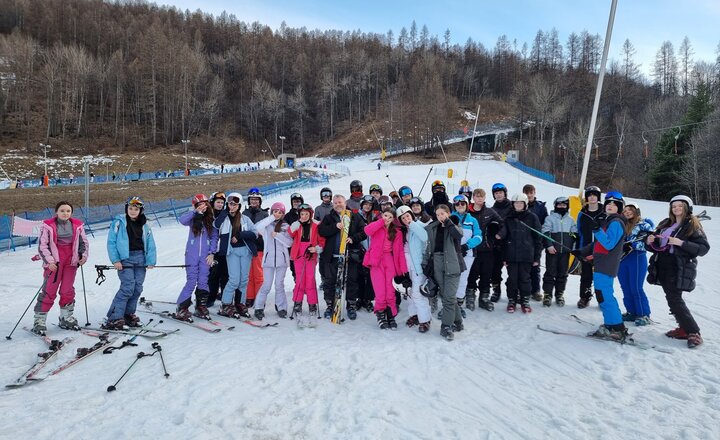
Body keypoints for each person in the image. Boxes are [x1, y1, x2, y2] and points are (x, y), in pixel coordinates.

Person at [646, 195, 709, 348]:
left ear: (687, 207)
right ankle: (683, 328)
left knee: (675, 298)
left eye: (680, 206)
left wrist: (681, 243)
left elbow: (703, 248)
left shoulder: (692, 226)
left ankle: (693, 332)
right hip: (662, 263)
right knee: (671, 297)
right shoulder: (666, 223)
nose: (677, 209)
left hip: (678, 265)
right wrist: (649, 241)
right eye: (674, 206)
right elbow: (655, 245)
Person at [574, 191, 629, 341]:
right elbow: (598, 243)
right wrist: (582, 251)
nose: (610, 206)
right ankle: (610, 324)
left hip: (607, 264)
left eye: (614, 204)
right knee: (601, 294)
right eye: (608, 203)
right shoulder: (609, 221)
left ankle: (617, 327)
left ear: (619, 207)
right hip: (601, 263)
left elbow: (609, 244)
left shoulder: (616, 222)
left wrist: (597, 230)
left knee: (604, 295)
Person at [33, 201, 89, 335]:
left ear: (71, 213)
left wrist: (83, 256)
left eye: (68, 211)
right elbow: (42, 246)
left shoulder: (77, 226)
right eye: (62, 211)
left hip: (71, 260)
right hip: (55, 262)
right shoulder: (48, 226)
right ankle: (39, 320)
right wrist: (49, 261)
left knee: (67, 289)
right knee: (49, 291)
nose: (65, 213)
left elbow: (83, 243)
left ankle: (66, 317)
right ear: (56, 212)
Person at [104, 196, 157, 329]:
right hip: (125, 258)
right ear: (126, 209)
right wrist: (115, 260)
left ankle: (128, 314)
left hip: (140, 258)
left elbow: (150, 243)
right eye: (130, 208)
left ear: (141, 211)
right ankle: (114, 317)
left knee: (137, 288)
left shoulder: (145, 224)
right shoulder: (119, 222)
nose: (133, 211)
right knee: (127, 287)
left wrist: (150, 260)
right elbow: (111, 242)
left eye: (136, 209)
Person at [423, 204, 465, 340]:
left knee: (448, 298)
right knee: (447, 296)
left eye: (443, 213)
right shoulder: (433, 228)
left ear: (448, 213)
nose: (440, 216)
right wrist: (425, 265)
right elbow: (429, 248)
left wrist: (448, 222)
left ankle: (446, 326)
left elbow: (458, 235)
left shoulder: (454, 226)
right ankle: (458, 322)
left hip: (452, 265)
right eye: (438, 214)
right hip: (437, 264)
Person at [318, 195, 364, 319]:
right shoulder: (328, 218)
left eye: (340, 202)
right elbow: (321, 231)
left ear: (345, 203)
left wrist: (353, 238)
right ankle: (330, 306)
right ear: (333, 204)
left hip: (350, 256)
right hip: (332, 256)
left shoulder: (354, 216)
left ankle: (351, 306)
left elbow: (364, 231)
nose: (338, 204)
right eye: (336, 202)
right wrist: (335, 227)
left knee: (351, 282)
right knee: (330, 283)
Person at [363, 207, 408, 330]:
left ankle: (390, 314)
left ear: (393, 219)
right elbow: (367, 230)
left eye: (390, 217)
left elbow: (399, 252)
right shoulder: (376, 227)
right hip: (376, 261)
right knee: (379, 290)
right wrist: (380, 222)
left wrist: (402, 269)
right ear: (382, 215)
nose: (387, 219)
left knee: (390, 289)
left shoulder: (397, 232)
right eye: (385, 216)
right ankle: (381, 314)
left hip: (389, 260)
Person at [214, 193, 257, 319]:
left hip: (245, 251)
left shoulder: (245, 219)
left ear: (239, 206)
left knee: (244, 280)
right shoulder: (224, 218)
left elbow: (255, 233)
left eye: (235, 204)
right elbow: (215, 225)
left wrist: (240, 235)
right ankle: (226, 304)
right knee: (234, 280)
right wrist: (225, 212)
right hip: (231, 252)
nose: (232, 206)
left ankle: (240, 303)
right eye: (230, 204)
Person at [176, 194, 218, 321]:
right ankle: (182, 307)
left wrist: (212, 252)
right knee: (191, 280)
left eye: (204, 204)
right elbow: (182, 220)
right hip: (192, 254)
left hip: (206, 255)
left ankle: (201, 306)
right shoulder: (193, 218)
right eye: (199, 205)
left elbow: (214, 237)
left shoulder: (211, 219)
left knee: (203, 280)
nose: (202, 207)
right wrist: (195, 213)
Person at [502, 194, 542, 313]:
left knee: (525, 279)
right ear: (513, 204)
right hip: (511, 255)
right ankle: (512, 300)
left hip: (527, 255)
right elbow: (504, 239)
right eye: (516, 203)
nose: (518, 205)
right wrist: (504, 256)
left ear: (525, 204)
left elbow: (538, 238)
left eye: (521, 203)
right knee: (512, 279)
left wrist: (537, 257)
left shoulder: (532, 217)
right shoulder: (508, 218)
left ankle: (525, 300)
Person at [253, 202, 293, 320]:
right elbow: (256, 227)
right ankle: (259, 307)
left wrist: (277, 236)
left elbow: (289, 242)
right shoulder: (267, 226)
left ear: (283, 214)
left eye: (280, 212)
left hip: (282, 261)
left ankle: (281, 307)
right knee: (266, 285)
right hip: (268, 261)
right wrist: (271, 218)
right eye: (275, 212)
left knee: (279, 285)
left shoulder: (286, 227)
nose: (277, 214)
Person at [467, 188, 504, 311]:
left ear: (485, 198)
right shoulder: (468, 211)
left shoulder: (490, 211)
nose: (479, 199)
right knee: (472, 274)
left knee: (486, 274)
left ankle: (484, 298)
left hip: (487, 248)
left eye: (481, 196)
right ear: (473, 198)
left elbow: (502, 224)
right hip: (472, 249)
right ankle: (470, 297)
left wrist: (499, 234)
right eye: (477, 196)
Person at [618, 203, 654, 325]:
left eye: (630, 210)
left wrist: (633, 245)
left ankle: (644, 314)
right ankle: (631, 312)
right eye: (625, 210)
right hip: (623, 258)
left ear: (636, 211)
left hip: (637, 257)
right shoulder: (623, 225)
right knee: (625, 286)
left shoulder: (644, 225)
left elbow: (649, 244)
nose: (627, 212)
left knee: (636, 287)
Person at [397, 205, 432, 332]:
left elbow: (425, 237)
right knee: (410, 292)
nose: (406, 219)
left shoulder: (419, 226)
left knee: (418, 294)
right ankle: (415, 315)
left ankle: (425, 319)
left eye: (408, 216)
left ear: (412, 215)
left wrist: (412, 224)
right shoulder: (403, 231)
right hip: (407, 266)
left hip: (418, 267)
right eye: (403, 218)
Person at [448, 195, 482, 319]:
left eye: (463, 204)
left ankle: (458, 305)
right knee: (451, 280)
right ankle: (449, 306)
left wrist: (467, 246)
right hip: (452, 254)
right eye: (457, 204)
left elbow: (478, 236)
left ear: (467, 205)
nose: (460, 206)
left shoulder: (472, 220)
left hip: (467, 254)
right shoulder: (450, 218)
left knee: (462, 279)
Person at [289, 204, 325, 318]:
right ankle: (297, 303)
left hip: (311, 255)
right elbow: (290, 233)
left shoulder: (316, 225)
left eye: (306, 214)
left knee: (310, 279)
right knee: (299, 280)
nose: (304, 216)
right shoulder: (297, 225)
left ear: (310, 214)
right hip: (298, 254)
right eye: (302, 214)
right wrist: (297, 223)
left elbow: (322, 240)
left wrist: (316, 248)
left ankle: (312, 303)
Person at [540, 196, 576, 307]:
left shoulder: (570, 220)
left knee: (563, 273)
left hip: (565, 252)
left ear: (567, 206)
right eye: (559, 205)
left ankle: (559, 294)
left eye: (564, 205)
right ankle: (547, 294)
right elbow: (545, 233)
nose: (561, 207)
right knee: (550, 273)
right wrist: (549, 246)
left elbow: (575, 235)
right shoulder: (549, 218)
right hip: (553, 252)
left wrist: (573, 248)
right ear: (555, 206)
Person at [576, 186, 605, 308]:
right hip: (586, 248)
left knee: (601, 276)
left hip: (602, 249)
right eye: (590, 195)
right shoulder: (582, 214)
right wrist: (579, 249)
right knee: (586, 275)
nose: (592, 197)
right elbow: (579, 232)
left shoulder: (605, 212)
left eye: (594, 194)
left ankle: (602, 300)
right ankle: (584, 297)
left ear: (598, 197)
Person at [243, 188, 269, 308]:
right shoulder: (244, 213)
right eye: (252, 199)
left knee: (258, 274)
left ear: (260, 201)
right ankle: (249, 297)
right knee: (248, 275)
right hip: (247, 247)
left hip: (259, 247)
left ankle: (259, 297)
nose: (254, 201)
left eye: (256, 199)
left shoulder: (264, 214)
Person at [523, 184, 548, 301]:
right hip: (523, 241)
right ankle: (523, 290)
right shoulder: (521, 204)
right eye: (527, 193)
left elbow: (545, 223)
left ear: (534, 193)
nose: (529, 195)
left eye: (531, 193)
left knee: (535, 266)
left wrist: (542, 239)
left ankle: (536, 290)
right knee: (523, 267)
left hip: (536, 241)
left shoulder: (541, 207)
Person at [354, 195, 378, 312]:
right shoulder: (356, 216)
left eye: (369, 205)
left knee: (370, 276)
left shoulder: (375, 217)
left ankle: (368, 299)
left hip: (372, 250)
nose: (367, 207)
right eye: (365, 204)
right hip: (360, 249)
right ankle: (359, 298)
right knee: (359, 275)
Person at [490, 182, 512, 303]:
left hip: (510, 243)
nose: (499, 195)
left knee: (512, 269)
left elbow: (510, 224)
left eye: (500, 193)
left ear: (505, 193)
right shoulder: (492, 209)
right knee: (495, 269)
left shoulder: (512, 207)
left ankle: (512, 292)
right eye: (496, 193)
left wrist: (502, 233)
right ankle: (496, 290)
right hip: (497, 244)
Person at [207, 192, 228, 307]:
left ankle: (225, 298)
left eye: (222, 203)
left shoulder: (226, 214)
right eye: (218, 202)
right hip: (212, 250)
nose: (220, 205)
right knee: (213, 276)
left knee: (225, 275)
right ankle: (211, 297)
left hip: (224, 249)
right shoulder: (209, 215)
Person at [284, 193, 305, 281]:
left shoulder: (305, 213)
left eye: (298, 201)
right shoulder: (288, 216)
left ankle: (305, 282)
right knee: (294, 264)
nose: (296, 203)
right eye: (294, 202)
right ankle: (297, 280)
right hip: (293, 244)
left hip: (304, 243)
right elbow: (286, 229)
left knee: (305, 264)